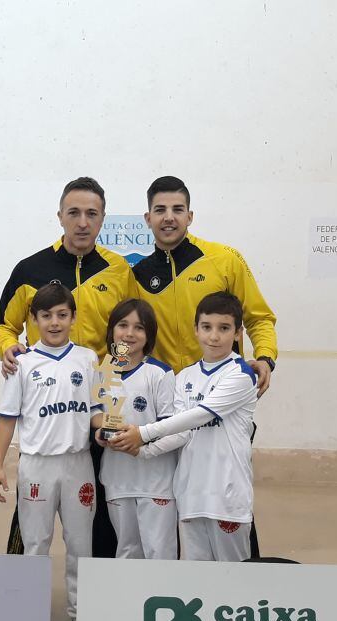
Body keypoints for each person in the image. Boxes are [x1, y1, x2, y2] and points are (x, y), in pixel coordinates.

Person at [0, 177, 138, 557]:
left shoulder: (119, 270)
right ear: (60, 216)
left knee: (96, 508)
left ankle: (88, 599)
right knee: (30, 517)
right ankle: (20, 589)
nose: (82, 222)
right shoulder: (30, 268)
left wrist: (111, 376)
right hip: (46, 413)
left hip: (101, 399)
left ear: (103, 219)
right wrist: (9, 348)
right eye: (74, 213)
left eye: (92, 214)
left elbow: (129, 327)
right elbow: (1, 324)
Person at [132, 175, 277, 557]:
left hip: (223, 407)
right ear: (147, 218)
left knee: (231, 505)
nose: (169, 218)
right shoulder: (137, 275)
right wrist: (112, 389)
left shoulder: (224, 260)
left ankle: (243, 592)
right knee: (176, 509)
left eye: (177, 210)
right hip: (169, 408)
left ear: (190, 215)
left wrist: (265, 357)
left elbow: (259, 317)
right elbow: (125, 335)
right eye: (160, 210)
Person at [111, 292, 258, 562]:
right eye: (207, 327)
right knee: (195, 584)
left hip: (227, 497)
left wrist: (142, 434)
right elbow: (179, 433)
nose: (214, 336)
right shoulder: (185, 376)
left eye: (224, 328)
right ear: (196, 330)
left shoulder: (241, 374)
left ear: (238, 333)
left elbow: (198, 416)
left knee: (235, 581)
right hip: (190, 495)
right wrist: (140, 451)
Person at [0, 283, 101, 621]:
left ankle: (81, 613)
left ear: (73, 317)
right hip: (36, 464)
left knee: (81, 543)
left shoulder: (88, 359)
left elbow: (99, 410)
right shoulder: (21, 363)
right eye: (46, 316)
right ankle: (32, 611)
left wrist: (110, 431)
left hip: (78, 464)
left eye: (62, 315)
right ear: (33, 320)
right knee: (36, 543)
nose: (54, 322)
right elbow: (7, 417)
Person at [94, 299, 177, 559]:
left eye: (139, 328)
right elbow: (95, 414)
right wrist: (103, 431)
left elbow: (169, 424)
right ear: (112, 331)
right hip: (118, 478)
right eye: (123, 325)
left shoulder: (160, 373)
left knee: (158, 552)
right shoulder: (104, 371)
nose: (129, 333)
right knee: (127, 550)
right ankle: (128, 601)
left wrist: (138, 437)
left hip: (156, 481)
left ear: (149, 334)